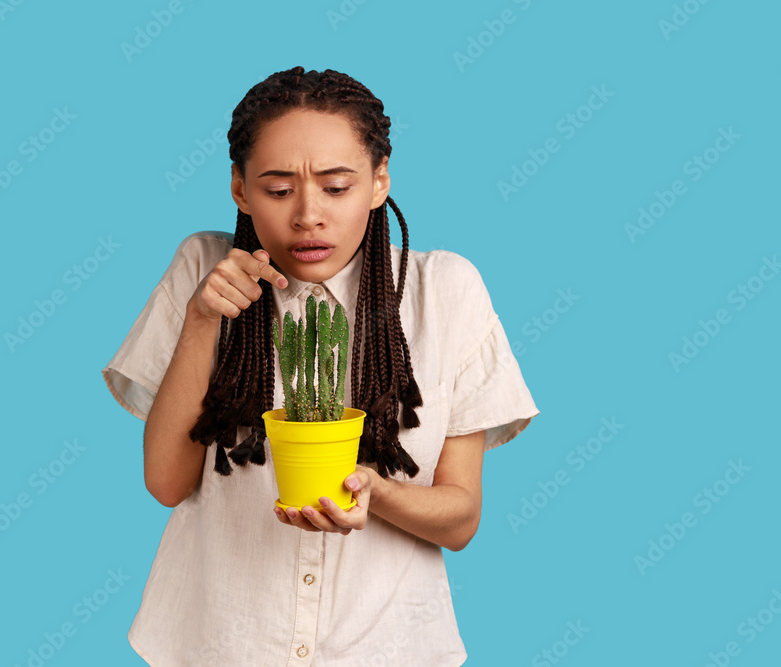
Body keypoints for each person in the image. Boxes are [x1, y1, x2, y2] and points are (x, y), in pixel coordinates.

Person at [102, 66, 539, 666]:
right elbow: (166, 483)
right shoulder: (203, 267)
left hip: (384, 650)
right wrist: (203, 319)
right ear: (240, 190)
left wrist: (375, 492)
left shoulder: (446, 289)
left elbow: (460, 519)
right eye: (278, 190)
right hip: (222, 645)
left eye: (336, 187)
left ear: (379, 181)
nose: (308, 214)